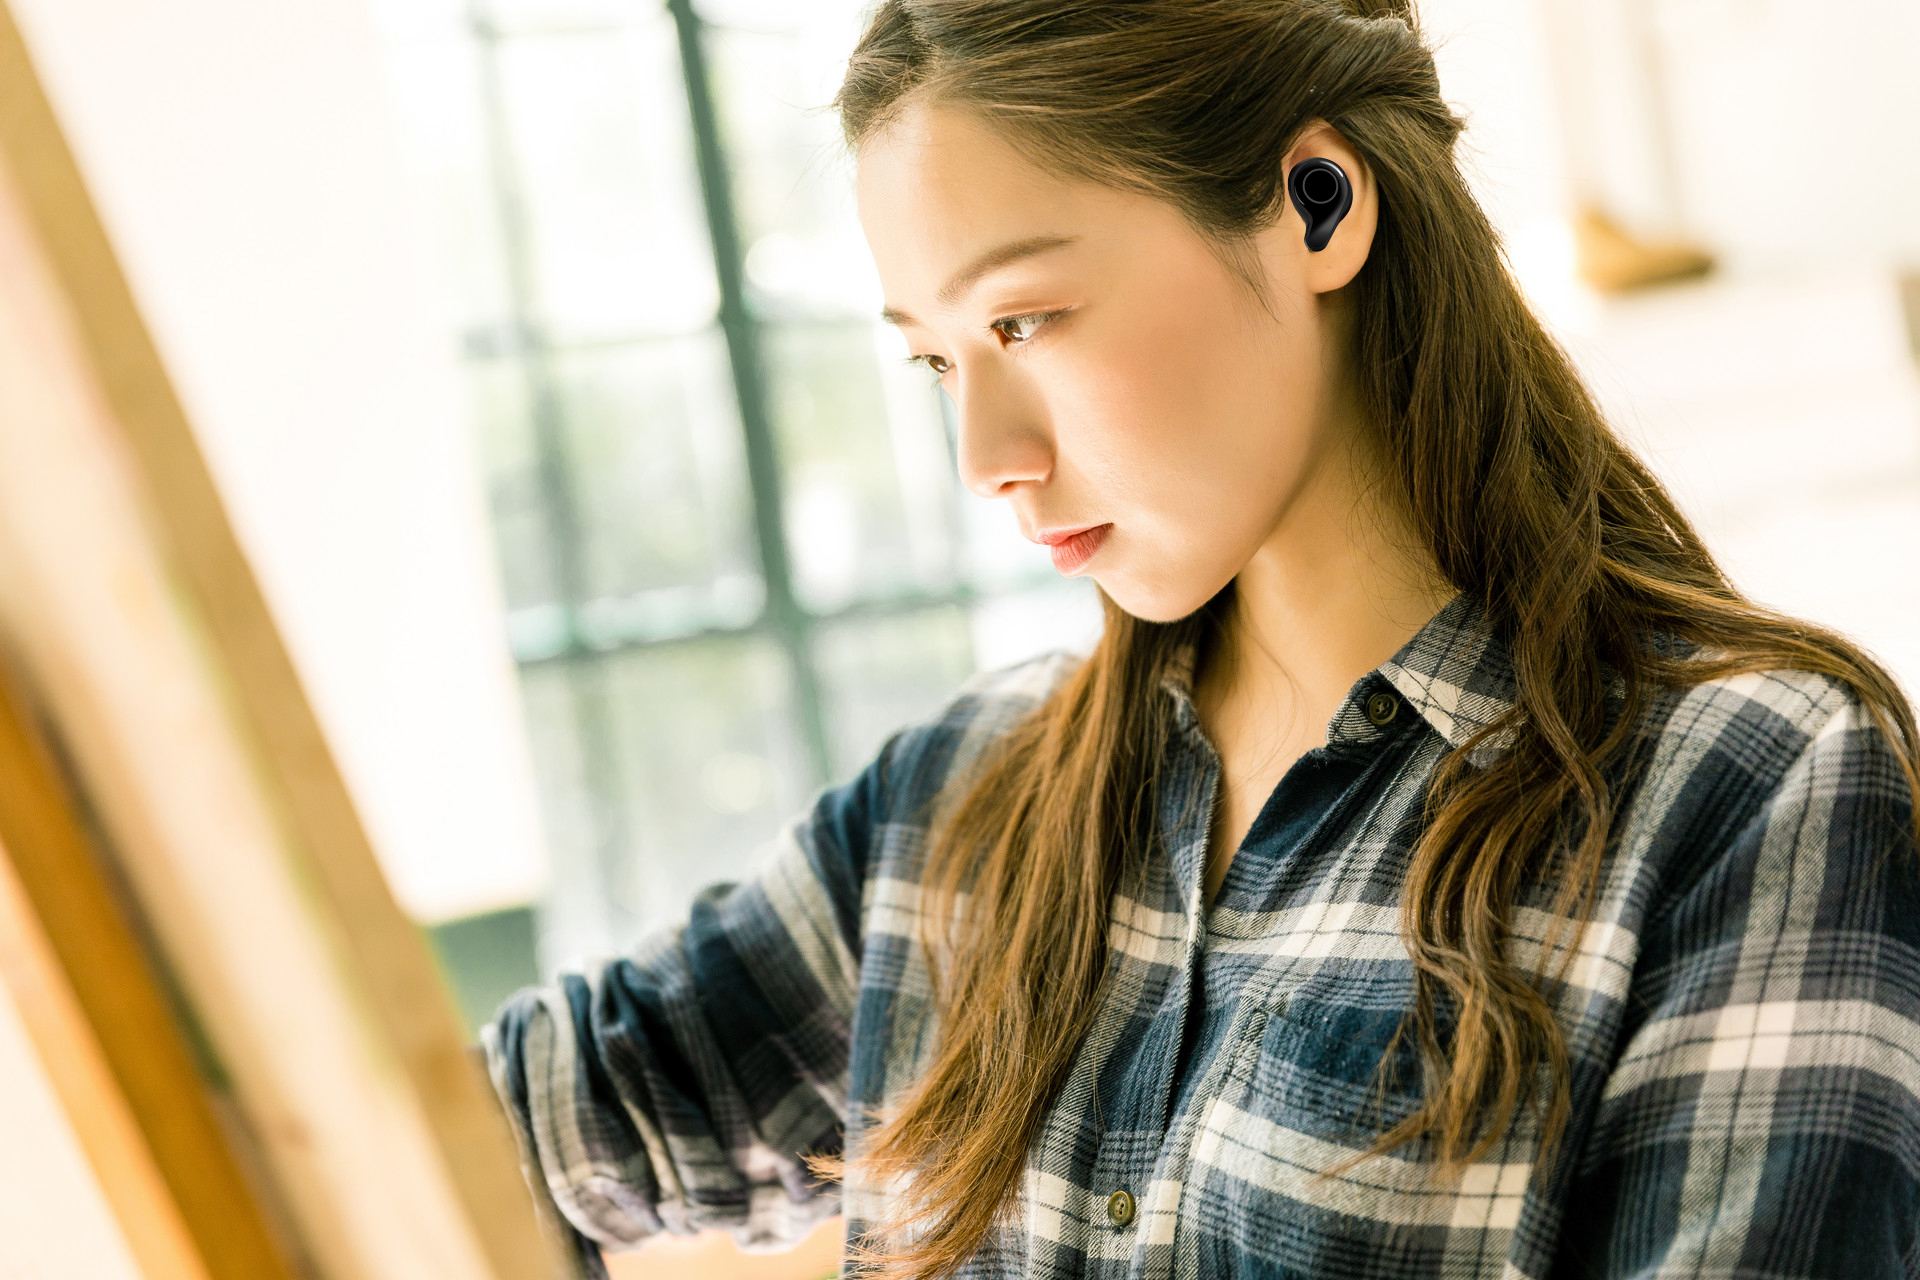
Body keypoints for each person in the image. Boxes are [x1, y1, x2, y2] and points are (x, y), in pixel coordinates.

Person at [481, 2, 1920, 1277]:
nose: (983, 454)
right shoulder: (961, 804)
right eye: (935, 360)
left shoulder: (1745, 790)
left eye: (1026, 321)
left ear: (1315, 204)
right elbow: (512, 1128)